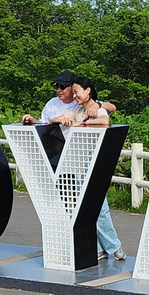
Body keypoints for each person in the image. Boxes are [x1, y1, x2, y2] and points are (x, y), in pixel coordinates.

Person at [50, 76, 126, 261]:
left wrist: (81, 123)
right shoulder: (78, 110)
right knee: (86, 207)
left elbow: (103, 121)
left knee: (98, 206)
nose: (74, 95)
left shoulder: (97, 109)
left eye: (77, 91)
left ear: (88, 91)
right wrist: (62, 119)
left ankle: (114, 247)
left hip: (93, 161)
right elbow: (54, 119)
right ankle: (100, 247)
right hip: (78, 162)